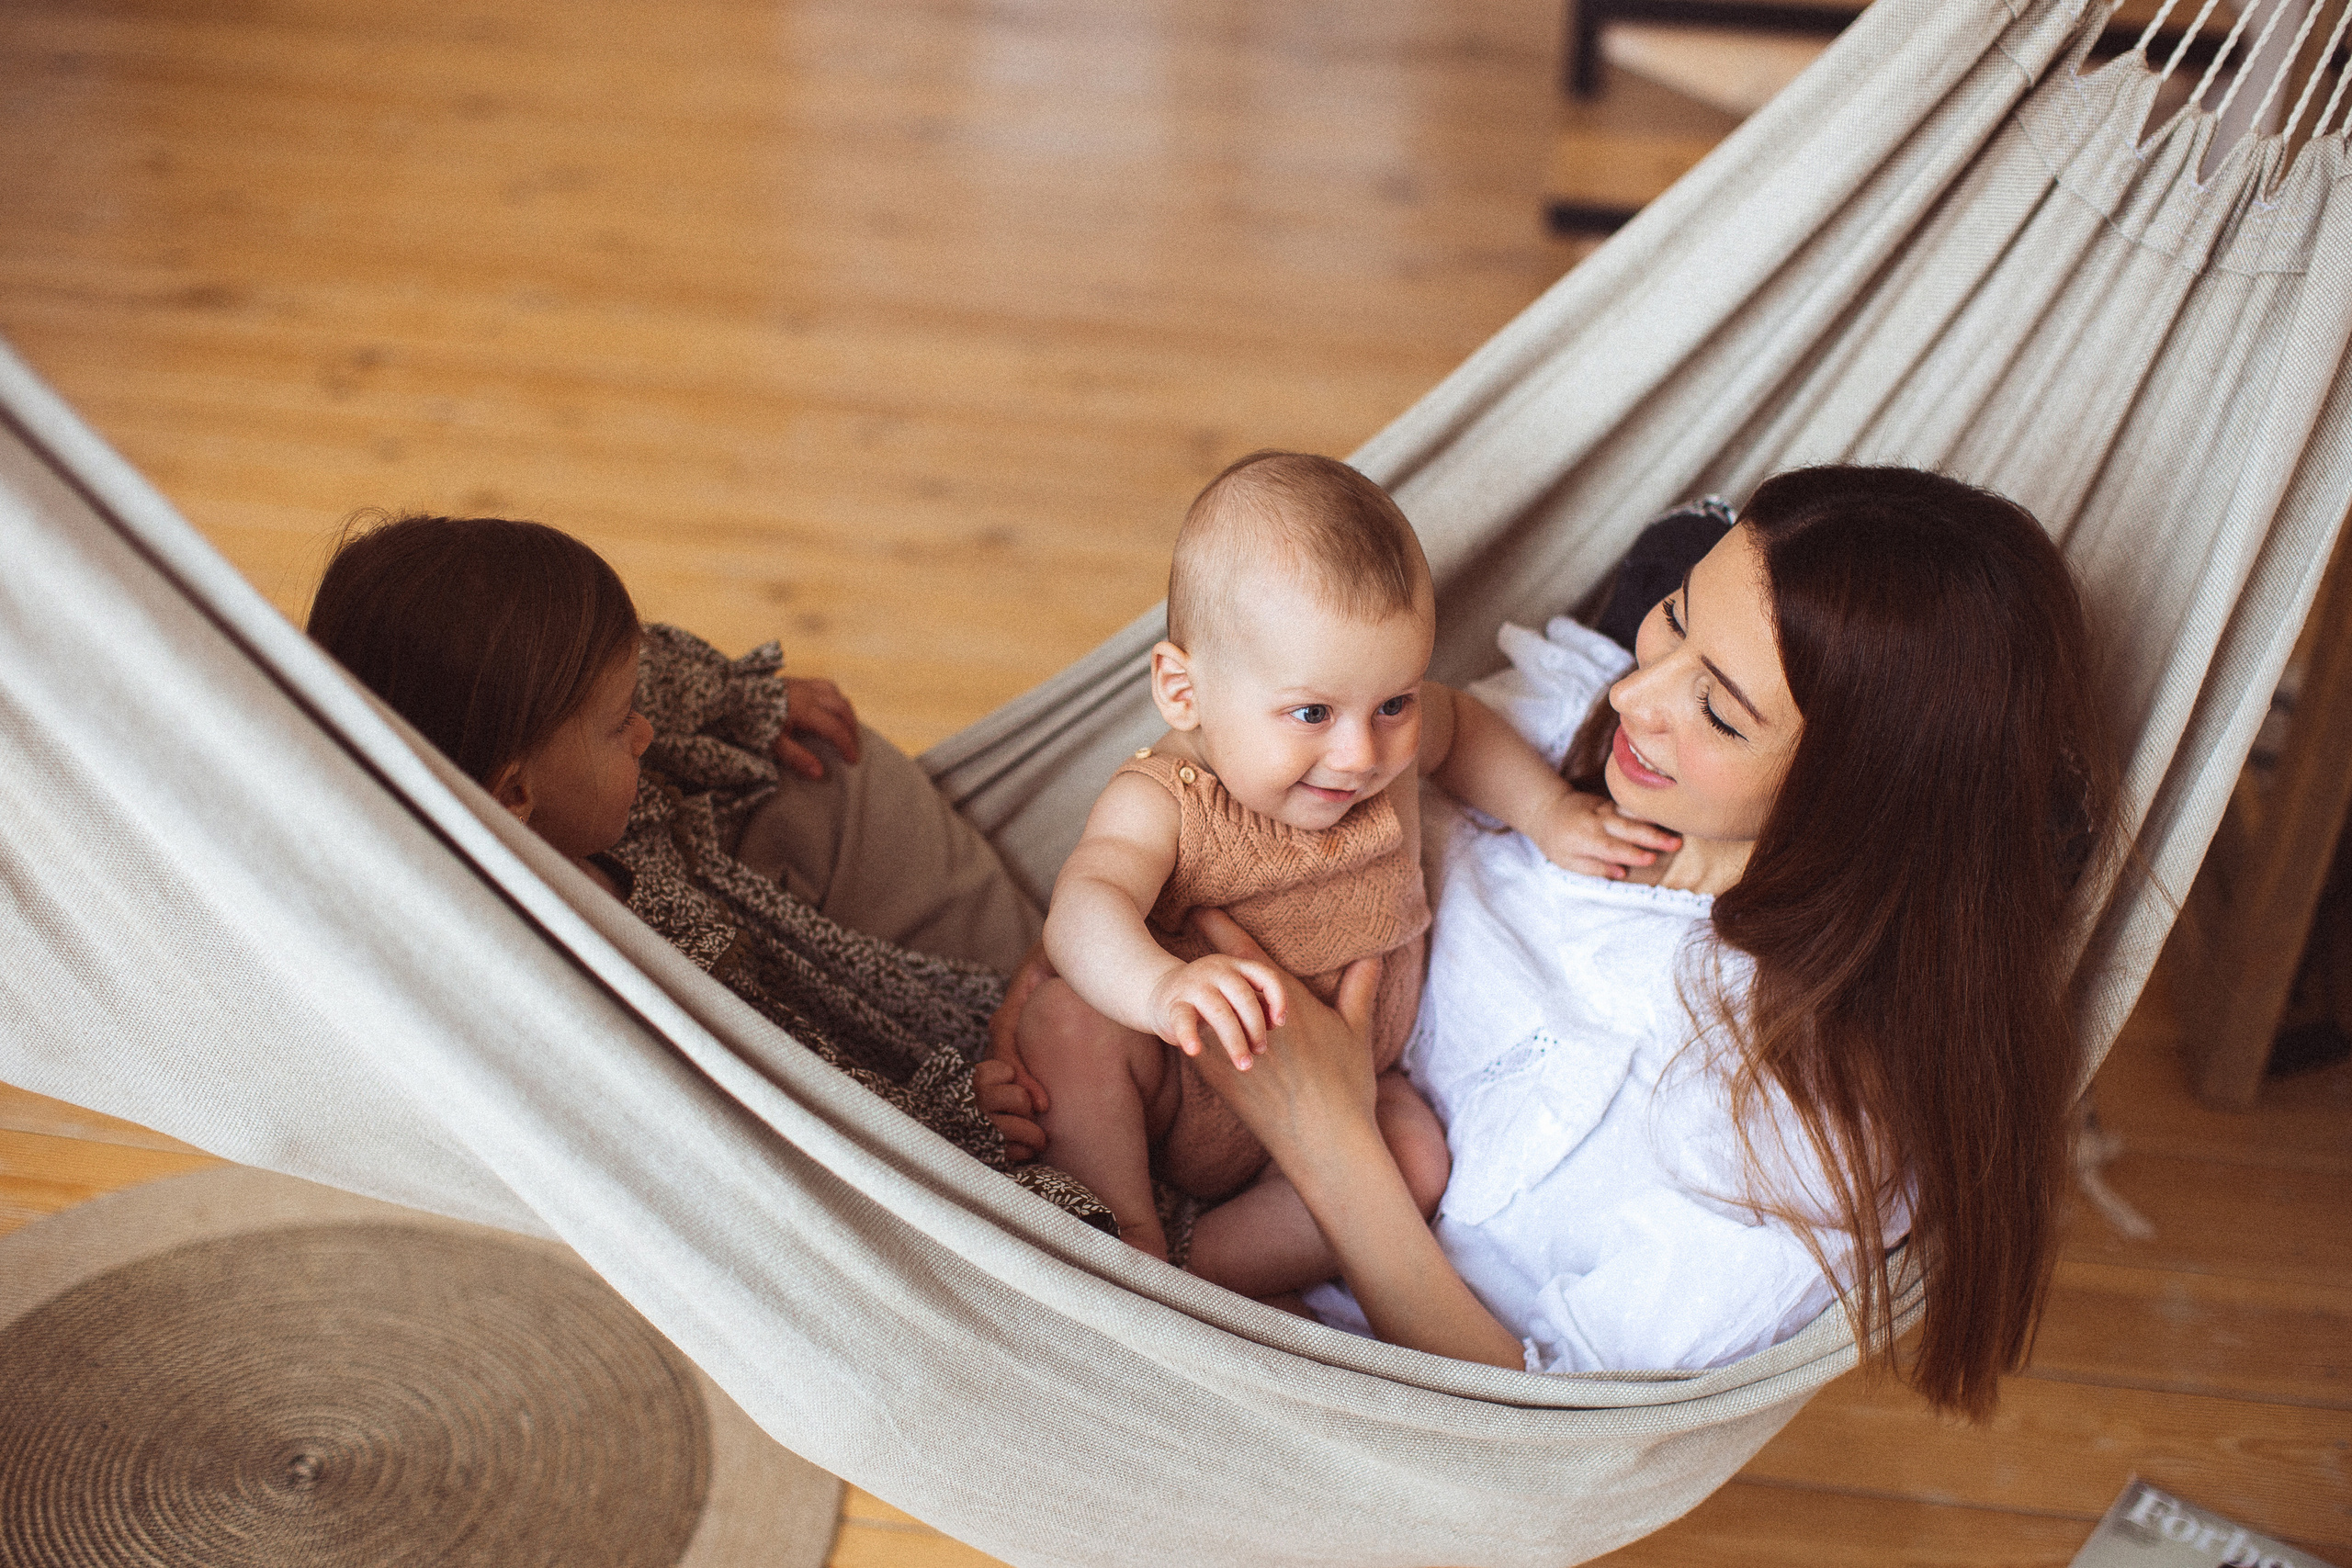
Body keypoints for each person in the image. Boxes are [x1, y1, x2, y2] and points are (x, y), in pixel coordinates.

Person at [1105, 465, 2117, 1420]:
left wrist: (1323, 1137)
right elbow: (1225, 800)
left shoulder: (1794, 1129)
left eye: (1716, 709)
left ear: (1861, 796)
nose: (1635, 697)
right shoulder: (1566, 733)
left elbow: (1542, 1425)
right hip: (1157, 1098)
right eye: (1672, 616)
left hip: (1317, 1389)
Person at [976, 452, 1683, 1294]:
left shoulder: (1392, 754)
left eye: (1394, 701)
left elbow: (1462, 726)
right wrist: (1163, 990)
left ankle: (1203, 1277)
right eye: (1312, 713)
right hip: (1174, 1073)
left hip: (1345, 1094)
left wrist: (1548, 813)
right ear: (1183, 689)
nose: (1360, 754)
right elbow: (1085, 905)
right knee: (1070, 1025)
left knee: (1416, 1159)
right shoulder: (1164, 800)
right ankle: (1125, 1237)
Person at [305, 512, 1110, 1230]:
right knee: (1065, 1092)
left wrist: (740, 695)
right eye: (621, 724)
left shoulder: (530, 791)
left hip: (736, 889)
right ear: (515, 789)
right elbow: (798, 1093)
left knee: (822, 773)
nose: (647, 729)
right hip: (896, 1082)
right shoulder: (626, 962)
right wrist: (944, 1122)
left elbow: (648, 669)